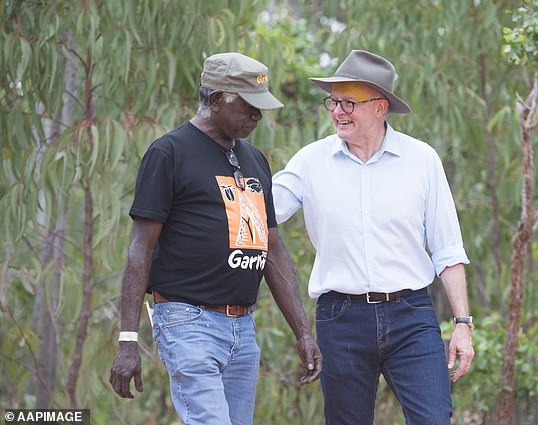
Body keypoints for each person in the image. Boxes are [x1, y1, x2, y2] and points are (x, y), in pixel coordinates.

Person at [109, 52, 321, 425]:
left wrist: (303, 331)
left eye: (261, 108)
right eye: (249, 106)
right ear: (217, 97)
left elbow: (271, 248)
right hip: (188, 321)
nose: (257, 116)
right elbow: (140, 250)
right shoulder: (169, 153)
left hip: (242, 327)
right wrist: (128, 338)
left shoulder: (255, 160)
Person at [272, 50, 474, 425]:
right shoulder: (310, 161)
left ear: (381, 107)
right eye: (333, 101)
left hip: (411, 315)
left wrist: (463, 323)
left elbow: (448, 250)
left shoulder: (422, 160)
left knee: (434, 418)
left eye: (349, 102)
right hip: (341, 318)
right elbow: (258, 212)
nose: (337, 111)